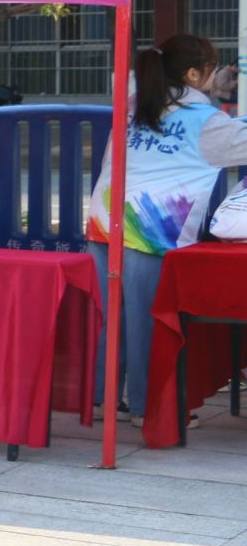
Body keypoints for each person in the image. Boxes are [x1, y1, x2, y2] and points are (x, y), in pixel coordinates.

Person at [85, 35, 246, 423]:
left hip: (104, 223)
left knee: (108, 319)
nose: (215, 77)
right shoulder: (206, 123)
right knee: (148, 323)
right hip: (151, 232)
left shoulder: (135, 106)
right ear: (193, 74)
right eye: (211, 70)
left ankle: (102, 399)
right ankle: (147, 409)